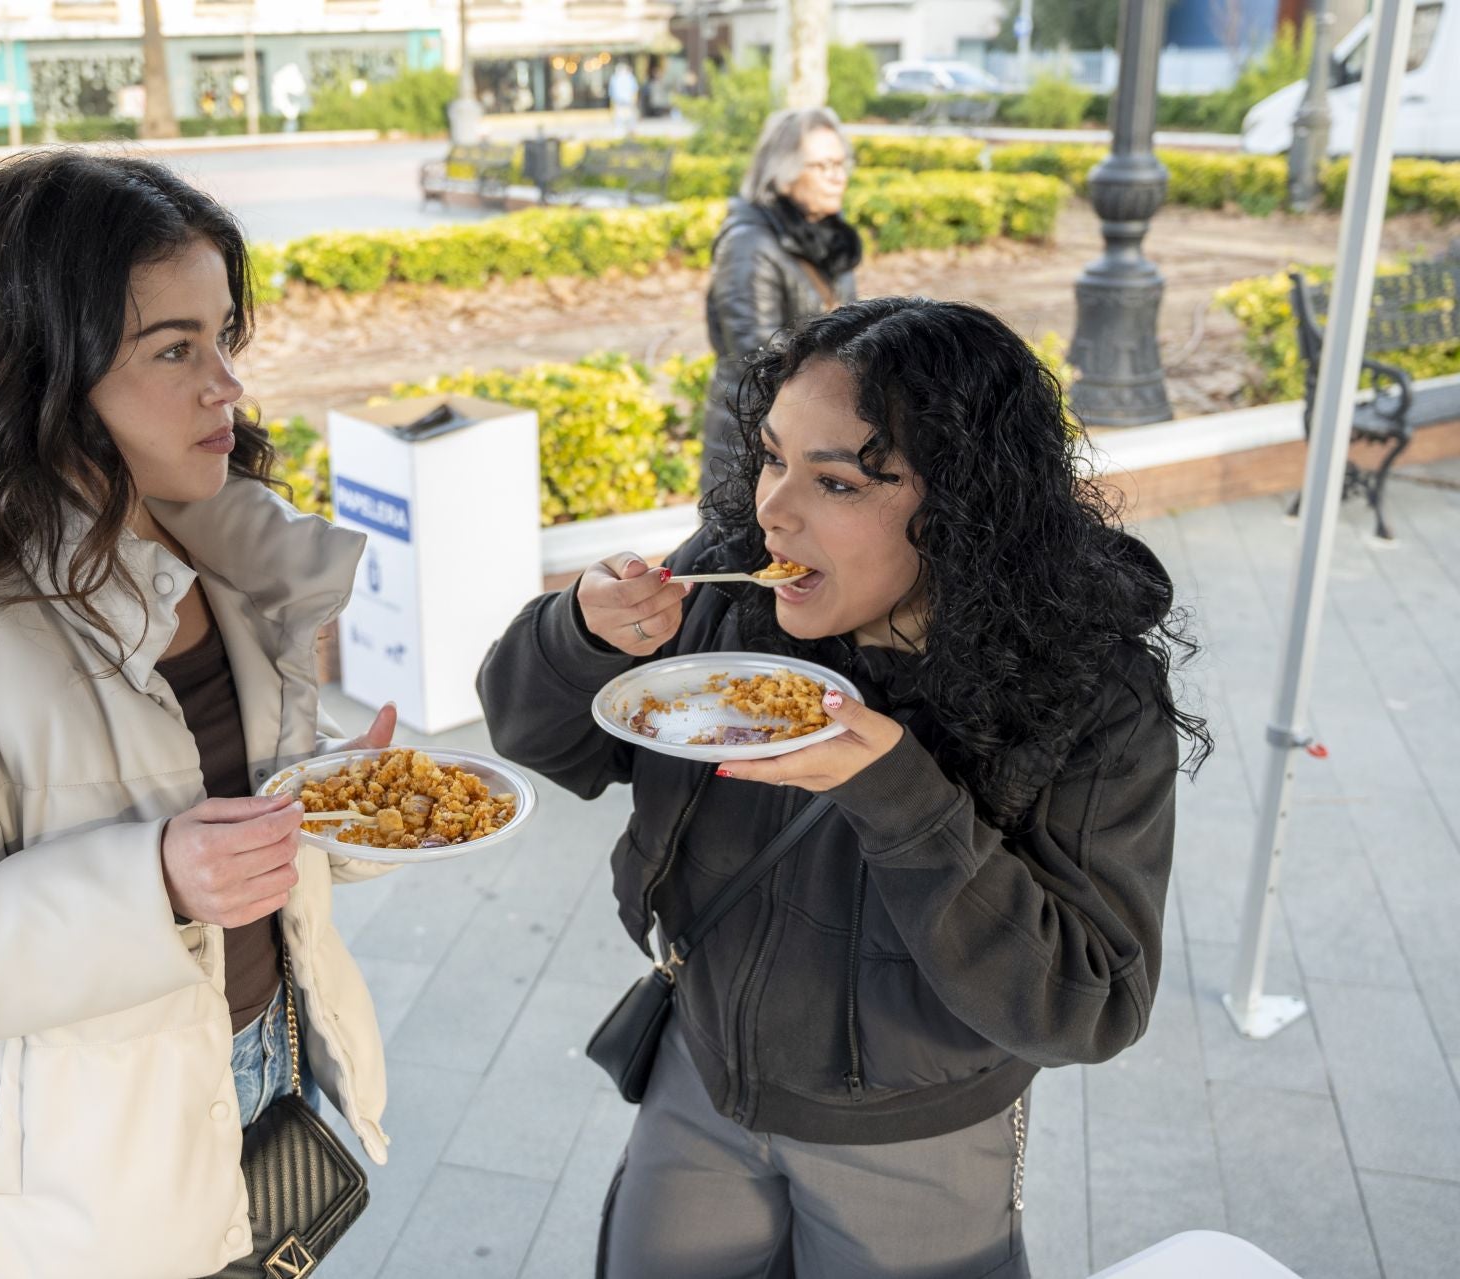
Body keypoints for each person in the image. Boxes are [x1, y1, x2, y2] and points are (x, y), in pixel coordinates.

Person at [0, 151, 400, 1279]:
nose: (227, 387)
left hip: (267, 1068)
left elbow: (231, 815)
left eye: (222, 340)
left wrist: (343, 809)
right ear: (44, 369)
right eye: (174, 350)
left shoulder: (213, 548)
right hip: (74, 1183)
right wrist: (152, 880)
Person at [479, 297, 1212, 1279]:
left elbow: (1090, 1002)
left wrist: (896, 790)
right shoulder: (730, 589)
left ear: (959, 505)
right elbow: (536, 732)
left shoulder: (1088, 690)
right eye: (775, 457)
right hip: (702, 1077)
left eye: (835, 480)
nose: (775, 509)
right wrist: (580, 633)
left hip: (918, 1140)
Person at [702, 105, 863, 498]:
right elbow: (756, 360)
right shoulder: (748, 244)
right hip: (753, 452)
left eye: (841, 164)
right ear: (783, 173)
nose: (837, 177)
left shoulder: (826, 237)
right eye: (822, 166)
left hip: (808, 443)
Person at [608, 59, 640, 133]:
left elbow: (634, 89)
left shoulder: (625, 77)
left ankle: (627, 128)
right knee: (622, 115)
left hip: (625, 99)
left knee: (626, 115)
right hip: (623, 99)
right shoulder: (618, 78)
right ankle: (626, 128)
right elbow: (635, 89)